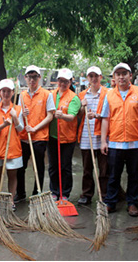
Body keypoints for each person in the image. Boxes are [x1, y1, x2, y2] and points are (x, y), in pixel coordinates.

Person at [100, 63, 138, 217]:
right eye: (118, 74)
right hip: (115, 142)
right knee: (113, 175)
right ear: (114, 77)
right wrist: (104, 141)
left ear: (130, 76)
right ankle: (110, 202)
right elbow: (105, 118)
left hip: (135, 142)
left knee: (134, 175)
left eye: (124, 73)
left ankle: (132, 203)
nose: (121, 76)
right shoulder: (110, 95)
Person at [15, 65, 55, 203]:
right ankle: (20, 193)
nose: (32, 79)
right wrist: (22, 114)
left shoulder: (46, 94)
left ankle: (37, 192)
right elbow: (17, 116)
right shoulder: (21, 95)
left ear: (39, 78)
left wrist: (35, 128)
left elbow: (50, 116)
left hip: (39, 137)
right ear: (25, 78)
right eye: (29, 77)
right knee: (20, 167)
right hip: (24, 138)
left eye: (35, 76)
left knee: (39, 166)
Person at [0, 79, 24, 211]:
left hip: (13, 147)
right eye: (4, 91)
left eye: (9, 91)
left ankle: (11, 201)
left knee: (12, 174)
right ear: (0, 92)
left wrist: (14, 118)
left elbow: (21, 129)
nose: (6, 93)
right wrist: (4, 125)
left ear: (13, 92)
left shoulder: (18, 109)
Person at [77, 66, 109, 205]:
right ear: (87, 78)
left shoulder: (108, 93)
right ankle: (86, 194)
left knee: (104, 170)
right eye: (91, 76)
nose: (93, 79)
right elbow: (77, 116)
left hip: (102, 136)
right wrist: (81, 108)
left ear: (101, 77)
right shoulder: (82, 95)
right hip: (86, 137)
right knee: (87, 170)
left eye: (96, 76)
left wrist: (96, 116)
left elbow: (110, 115)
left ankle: (105, 195)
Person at [48, 68, 81, 201]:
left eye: (66, 81)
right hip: (52, 136)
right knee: (53, 166)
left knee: (65, 166)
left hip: (67, 138)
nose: (63, 83)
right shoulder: (51, 94)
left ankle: (65, 193)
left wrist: (63, 115)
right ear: (57, 81)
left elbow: (72, 117)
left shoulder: (73, 98)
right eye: (61, 81)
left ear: (71, 82)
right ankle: (54, 191)